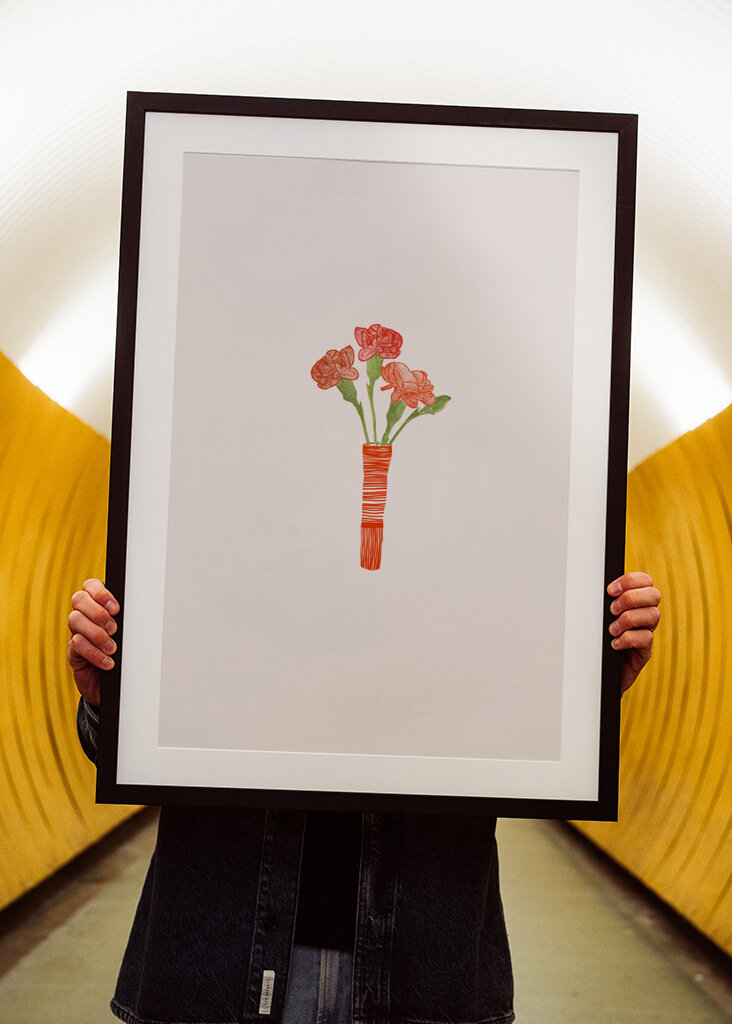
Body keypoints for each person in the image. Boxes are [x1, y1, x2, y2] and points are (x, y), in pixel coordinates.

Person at [68, 572, 661, 1024]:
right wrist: (111, 699)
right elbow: (134, 745)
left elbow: (518, 730)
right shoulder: (219, 534)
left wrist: (588, 691)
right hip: (220, 958)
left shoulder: (477, 562)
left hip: (422, 966)